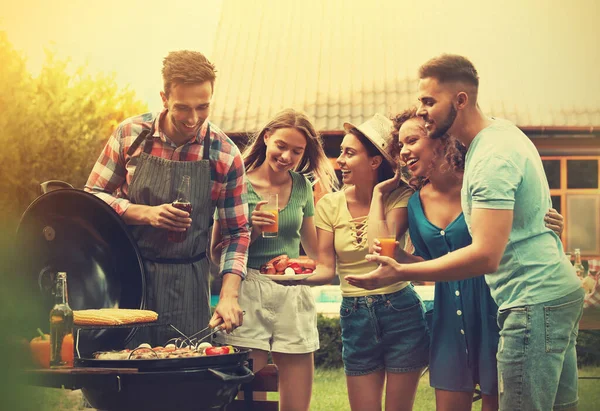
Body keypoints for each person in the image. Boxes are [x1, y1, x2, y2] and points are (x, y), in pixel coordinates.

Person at [346, 54, 583, 411]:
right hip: (546, 294)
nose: (422, 111)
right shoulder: (497, 138)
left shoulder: (489, 158)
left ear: (460, 100)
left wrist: (403, 271)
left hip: (530, 300)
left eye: (429, 102)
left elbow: (486, 254)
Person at [85, 50, 249, 346]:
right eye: (182, 108)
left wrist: (228, 295)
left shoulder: (224, 154)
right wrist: (143, 213)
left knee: (185, 377)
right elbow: (92, 198)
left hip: (190, 281)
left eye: (203, 107)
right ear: (164, 98)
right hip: (129, 273)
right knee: (121, 371)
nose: (193, 118)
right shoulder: (129, 135)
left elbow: (236, 232)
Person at [210, 109, 337, 411]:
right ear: (266, 137)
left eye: (297, 150)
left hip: (291, 289)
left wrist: (321, 257)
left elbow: (314, 252)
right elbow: (216, 254)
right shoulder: (236, 184)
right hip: (247, 287)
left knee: (296, 400)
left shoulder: (303, 186)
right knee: (237, 393)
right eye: (281, 145)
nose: (287, 156)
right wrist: (251, 230)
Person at [304, 114, 430, 411]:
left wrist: (377, 194)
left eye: (350, 153)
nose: (340, 161)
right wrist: (284, 278)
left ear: (375, 162)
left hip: (399, 309)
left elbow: (382, 249)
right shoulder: (328, 205)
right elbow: (325, 268)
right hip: (355, 314)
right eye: (341, 153)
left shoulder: (399, 196)